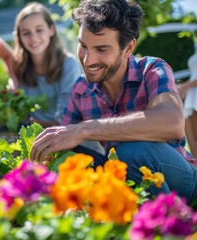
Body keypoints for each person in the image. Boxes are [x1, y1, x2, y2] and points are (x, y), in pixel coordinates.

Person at [30, 0, 197, 205]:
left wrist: (86, 129)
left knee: (131, 152)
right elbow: (66, 141)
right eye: (83, 46)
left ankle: (165, 225)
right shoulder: (80, 90)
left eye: (101, 49)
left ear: (128, 48)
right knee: (79, 158)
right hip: (125, 178)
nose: (88, 60)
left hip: (180, 180)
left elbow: (171, 123)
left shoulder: (153, 70)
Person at [13, 2, 82, 128]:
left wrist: (36, 124)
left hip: (66, 137)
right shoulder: (19, 67)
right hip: (31, 135)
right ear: (19, 36)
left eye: (39, 30)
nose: (33, 38)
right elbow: (18, 113)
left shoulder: (69, 65)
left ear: (51, 29)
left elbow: (68, 120)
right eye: (26, 33)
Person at [178, 51, 197, 158]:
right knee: (192, 137)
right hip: (192, 95)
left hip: (193, 93)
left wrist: (183, 87)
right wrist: (183, 86)